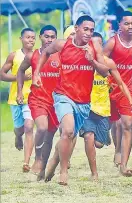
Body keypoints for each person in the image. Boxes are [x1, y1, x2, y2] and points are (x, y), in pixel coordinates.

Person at [33, 15, 109, 185]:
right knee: (67, 131)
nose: (89, 33)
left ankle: (51, 164)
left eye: (91, 29)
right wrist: (37, 73)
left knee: (69, 137)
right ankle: (64, 172)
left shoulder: (94, 47)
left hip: (83, 102)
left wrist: (93, 61)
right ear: (76, 28)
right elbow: (45, 52)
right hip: (63, 96)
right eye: (85, 29)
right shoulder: (62, 44)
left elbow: (105, 72)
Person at [79, 32, 132, 181]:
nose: (94, 47)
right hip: (86, 107)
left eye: (98, 44)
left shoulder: (108, 63)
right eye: (92, 44)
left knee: (98, 144)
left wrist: (131, 100)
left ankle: (104, 135)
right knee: (88, 137)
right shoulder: (81, 62)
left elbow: (121, 83)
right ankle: (94, 173)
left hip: (103, 109)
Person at [103, 10, 132, 177]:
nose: (130, 26)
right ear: (119, 25)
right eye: (126, 23)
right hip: (113, 88)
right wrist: (108, 79)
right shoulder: (112, 43)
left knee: (127, 124)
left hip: (130, 89)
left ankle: (124, 165)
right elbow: (102, 63)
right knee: (115, 124)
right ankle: (117, 149)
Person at [16, 25, 60, 181]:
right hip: (37, 99)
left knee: (50, 136)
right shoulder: (32, 56)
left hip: (56, 102)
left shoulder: (61, 55)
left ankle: (45, 166)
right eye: (46, 36)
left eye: (52, 37)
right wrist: (19, 91)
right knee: (41, 127)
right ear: (40, 37)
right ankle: (37, 158)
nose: (49, 39)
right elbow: (20, 71)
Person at [0, 28, 36, 173]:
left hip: (32, 98)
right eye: (27, 37)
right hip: (16, 98)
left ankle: (26, 162)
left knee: (29, 127)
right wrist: (18, 77)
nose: (31, 40)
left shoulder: (38, 55)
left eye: (33, 38)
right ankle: (17, 136)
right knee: (19, 128)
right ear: (21, 39)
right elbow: (2, 75)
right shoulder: (14, 55)